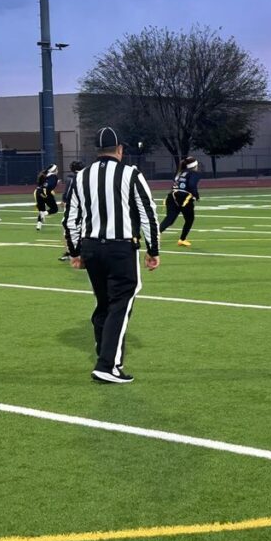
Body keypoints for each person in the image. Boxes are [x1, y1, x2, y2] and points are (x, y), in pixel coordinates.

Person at [63, 126, 160, 384]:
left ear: (98, 150)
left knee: (105, 303)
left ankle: (105, 353)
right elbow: (147, 213)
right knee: (120, 303)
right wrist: (153, 250)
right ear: (120, 150)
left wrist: (75, 251)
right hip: (120, 247)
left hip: (92, 247)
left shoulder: (81, 176)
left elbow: (70, 218)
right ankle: (108, 364)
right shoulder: (131, 173)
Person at [159, 156, 201, 246]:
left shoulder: (181, 172)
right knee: (189, 219)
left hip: (172, 196)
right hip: (184, 197)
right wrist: (196, 196)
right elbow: (191, 185)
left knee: (170, 219)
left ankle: (156, 233)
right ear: (194, 166)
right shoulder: (194, 173)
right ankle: (182, 239)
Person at [58, 161, 84, 261]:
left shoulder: (72, 178)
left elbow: (68, 192)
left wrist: (64, 201)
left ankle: (72, 252)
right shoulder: (87, 177)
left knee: (69, 228)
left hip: (74, 208)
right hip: (84, 208)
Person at [34, 164, 59, 231]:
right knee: (55, 209)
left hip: (38, 193)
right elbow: (48, 185)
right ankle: (44, 214)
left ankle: (38, 225)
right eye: (56, 169)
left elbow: (40, 185)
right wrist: (50, 190)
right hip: (46, 193)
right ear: (54, 170)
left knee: (41, 210)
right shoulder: (54, 176)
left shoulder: (43, 175)